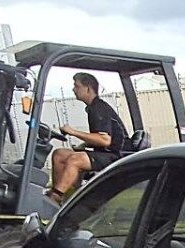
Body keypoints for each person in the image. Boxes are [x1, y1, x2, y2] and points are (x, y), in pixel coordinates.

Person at [47, 72, 128, 203]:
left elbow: (105, 140)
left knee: (75, 159)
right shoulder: (92, 107)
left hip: (116, 156)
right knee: (59, 154)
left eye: (77, 86)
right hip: (105, 153)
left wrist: (73, 132)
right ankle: (66, 196)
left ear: (88, 88)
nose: (73, 89)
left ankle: (55, 197)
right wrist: (85, 145)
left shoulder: (99, 108)